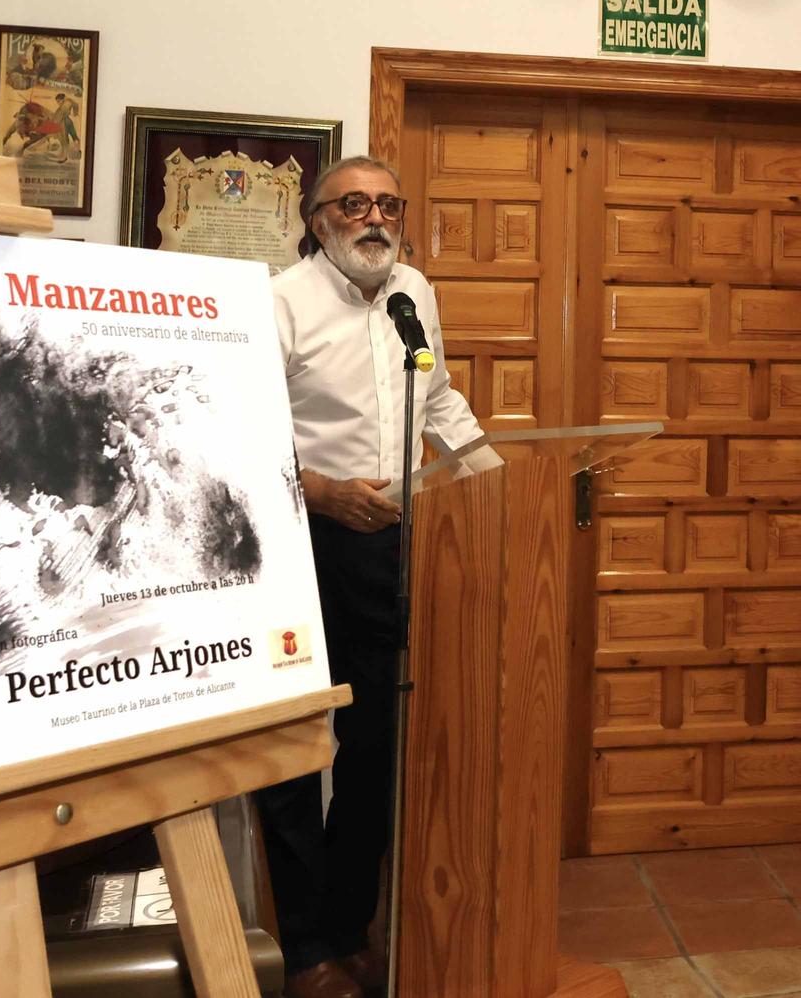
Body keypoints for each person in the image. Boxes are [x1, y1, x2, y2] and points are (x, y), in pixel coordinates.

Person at [253, 155, 491, 998]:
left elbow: (439, 399)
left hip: (388, 544)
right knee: (292, 745)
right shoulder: (279, 302)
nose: (373, 217)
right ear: (318, 221)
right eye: (353, 203)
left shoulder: (413, 293)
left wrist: (492, 480)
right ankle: (307, 947)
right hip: (295, 541)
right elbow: (235, 428)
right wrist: (319, 490)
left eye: (388, 204)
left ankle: (349, 928)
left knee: (374, 747)